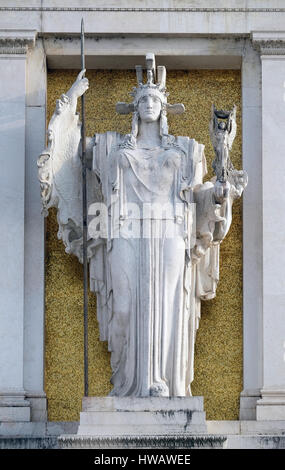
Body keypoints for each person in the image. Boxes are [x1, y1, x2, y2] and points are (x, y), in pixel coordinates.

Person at [38, 54, 247, 397]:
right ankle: (127, 384)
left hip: (169, 234)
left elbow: (198, 196)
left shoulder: (186, 149)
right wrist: (69, 101)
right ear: (134, 108)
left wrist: (221, 189)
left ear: (164, 108)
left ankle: (161, 383)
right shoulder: (109, 147)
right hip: (124, 235)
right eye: (143, 99)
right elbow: (67, 156)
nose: (149, 104)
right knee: (123, 306)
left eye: (155, 99)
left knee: (166, 308)